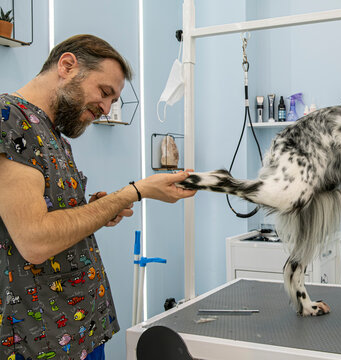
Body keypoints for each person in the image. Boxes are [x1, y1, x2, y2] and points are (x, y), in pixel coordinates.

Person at [0, 34, 196, 359]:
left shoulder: (53, 136)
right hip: (43, 341)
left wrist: (97, 210)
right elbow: (34, 240)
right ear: (67, 65)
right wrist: (131, 193)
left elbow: (56, 221)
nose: (106, 108)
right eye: (105, 93)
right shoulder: (9, 119)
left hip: (84, 328)